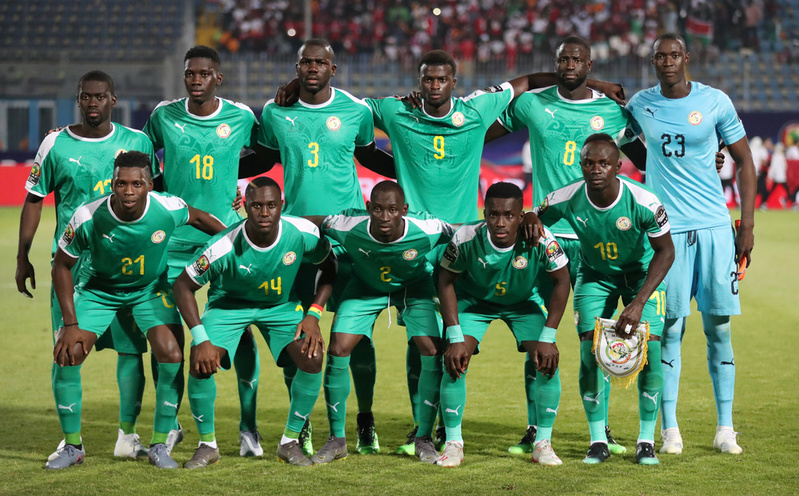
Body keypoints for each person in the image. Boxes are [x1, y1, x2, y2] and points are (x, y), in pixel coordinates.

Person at [486, 35, 646, 456]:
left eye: (578, 59)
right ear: (554, 64)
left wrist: (707, 157)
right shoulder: (532, 104)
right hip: (544, 236)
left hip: (598, 242)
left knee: (600, 339)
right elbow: (484, 129)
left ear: (590, 63)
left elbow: (646, 159)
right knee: (539, 334)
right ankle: (534, 426)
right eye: (563, 59)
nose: (570, 64)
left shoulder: (612, 110)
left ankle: (602, 428)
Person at [246, 38, 395, 455]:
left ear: (334, 68)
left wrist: (415, 173)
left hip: (349, 239)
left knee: (355, 338)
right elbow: (260, 162)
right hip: (296, 240)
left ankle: (363, 420)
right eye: (305, 62)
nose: (313, 68)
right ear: (296, 67)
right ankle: (303, 423)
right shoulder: (275, 113)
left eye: (320, 62)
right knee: (299, 337)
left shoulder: (355, 110)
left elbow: (370, 156)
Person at [49, 151, 226, 469]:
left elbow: (199, 218)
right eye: (121, 183)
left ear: (149, 185)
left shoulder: (167, 207)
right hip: (99, 291)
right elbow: (61, 265)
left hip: (149, 291)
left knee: (171, 353)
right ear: (112, 184)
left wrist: (233, 241)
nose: (128, 191)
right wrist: (71, 323)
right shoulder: (88, 216)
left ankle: (160, 445)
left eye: (136, 184)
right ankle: (72, 447)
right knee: (68, 352)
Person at [625, 33, 756, 455]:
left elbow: (745, 161)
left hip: (717, 228)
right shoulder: (640, 105)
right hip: (668, 233)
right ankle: (670, 430)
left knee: (718, 328)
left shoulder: (715, 101)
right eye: (659, 56)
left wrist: (747, 226)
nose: (666, 61)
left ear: (686, 57)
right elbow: (626, 143)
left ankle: (725, 429)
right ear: (653, 61)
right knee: (671, 330)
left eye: (673, 55)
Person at [17, 71, 156, 463]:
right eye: (85, 97)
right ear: (79, 100)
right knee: (66, 351)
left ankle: (128, 437)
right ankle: (72, 443)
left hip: (127, 267)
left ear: (113, 99)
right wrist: (22, 254)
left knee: (131, 352)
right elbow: (33, 198)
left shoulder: (137, 142)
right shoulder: (55, 142)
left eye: (99, 96)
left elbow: (157, 201)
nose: (92, 103)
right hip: (73, 268)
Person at [143, 45, 263, 456]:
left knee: (240, 334)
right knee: (169, 339)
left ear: (218, 78)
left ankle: (249, 428)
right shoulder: (164, 115)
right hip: (173, 245)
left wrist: (235, 180)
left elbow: (266, 153)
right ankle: (172, 423)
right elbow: (143, 164)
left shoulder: (242, 116)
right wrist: (161, 198)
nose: (196, 80)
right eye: (190, 73)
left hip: (226, 241)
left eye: (204, 74)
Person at [172, 177, 336, 468]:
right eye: (257, 205)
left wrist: (314, 313)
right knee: (200, 359)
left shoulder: (302, 232)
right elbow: (183, 286)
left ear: (281, 207)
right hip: (229, 306)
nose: (264, 212)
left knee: (313, 356)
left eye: (271, 205)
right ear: (245, 206)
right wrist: (201, 338)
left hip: (280, 307)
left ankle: (290, 441)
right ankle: (207, 445)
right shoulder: (222, 246)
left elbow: (329, 265)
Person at [534, 134, 675, 465]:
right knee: (589, 352)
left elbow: (666, 251)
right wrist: (538, 232)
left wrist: (638, 303)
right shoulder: (567, 197)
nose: (596, 169)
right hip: (595, 276)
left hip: (641, 276)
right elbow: (534, 218)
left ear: (618, 166)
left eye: (604, 163)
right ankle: (598, 440)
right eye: (589, 163)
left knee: (650, 352)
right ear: (581, 165)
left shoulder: (644, 201)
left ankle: (645, 440)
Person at [310, 181, 453, 465]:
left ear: (404, 210)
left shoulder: (427, 228)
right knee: (338, 348)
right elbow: (315, 222)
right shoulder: (348, 224)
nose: (384, 217)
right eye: (377, 209)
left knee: (431, 349)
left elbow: (463, 231)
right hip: (365, 287)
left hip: (414, 286)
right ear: (368, 208)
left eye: (392, 210)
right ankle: (337, 440)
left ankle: (423, 437)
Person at [436, 182, 570, 467]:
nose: (500, 222)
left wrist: (549, 335)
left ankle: (542, 443)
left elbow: (562, 280)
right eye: (493, 214)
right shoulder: (465, 237)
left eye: (509, 215)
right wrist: (455, 333)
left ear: (521, 216)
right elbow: (445, 280)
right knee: (455, 358)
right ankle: (453, 443)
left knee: (548, 361)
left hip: (523, 304)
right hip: (475, 303)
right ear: (484, 214)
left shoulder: (542, 238)